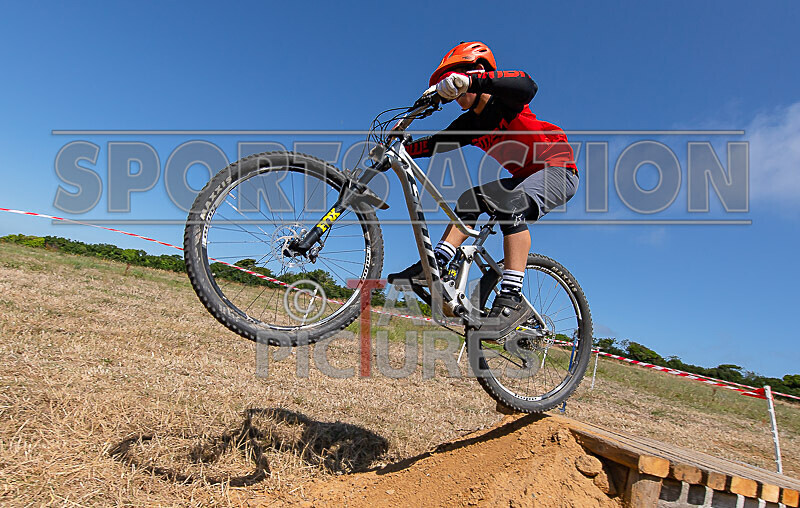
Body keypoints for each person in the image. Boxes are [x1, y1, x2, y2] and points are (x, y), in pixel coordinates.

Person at [387, 41, 579, 335]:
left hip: (557, 169)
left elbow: (527, 85)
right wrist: (402, 148)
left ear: (476, 71)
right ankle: (437, 264)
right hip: (523, 176)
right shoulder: (471, 123)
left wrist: (471, 80)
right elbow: (436, 143)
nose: (449, 87)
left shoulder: (506, 101)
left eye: (453, 77)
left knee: (509, 205)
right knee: (470, 199)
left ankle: (512, 296)